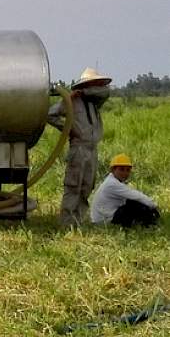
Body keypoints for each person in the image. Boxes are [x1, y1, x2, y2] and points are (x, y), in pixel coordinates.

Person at [47, 67, 112, 226]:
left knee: (87, 185)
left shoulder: (95, 102)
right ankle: (67, 223)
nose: (97, 87)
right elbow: (50, 115)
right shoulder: (71, 101)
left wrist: (86, 93)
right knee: (74, 185)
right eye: (94, 84)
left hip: (92, 149)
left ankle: (79, 220)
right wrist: (67, 129)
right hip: (79, 148)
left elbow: (105, 91)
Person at [90, 154, 160, 227]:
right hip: (104, 220)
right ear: (113, 170)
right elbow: (137, 196)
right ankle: (149, 223)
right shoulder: (112, 184)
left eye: (128, 170)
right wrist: (154, 205)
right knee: (136, 204)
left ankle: (146, 221)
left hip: (102, 217)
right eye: (121, 169)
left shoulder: (112, 180)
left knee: (133, 203)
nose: (125, 173)